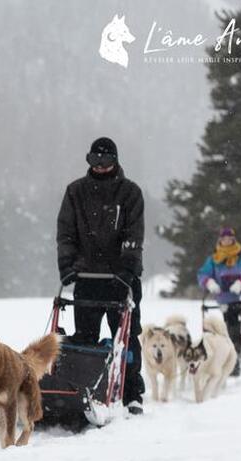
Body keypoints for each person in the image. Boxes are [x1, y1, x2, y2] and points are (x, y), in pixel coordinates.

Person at [57, 137, 146, 414]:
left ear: (115, 161)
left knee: (127, 337)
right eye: (95, 160)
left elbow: (134, 234)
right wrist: (67, 267)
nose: (100, 166)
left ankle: (132, 393)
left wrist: (128, 269)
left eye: (105, 161)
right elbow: (66, 233)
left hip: (121, 279)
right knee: (84, 338)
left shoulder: (130, 193)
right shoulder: (75, 192)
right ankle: (85, 389)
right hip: (86, 278)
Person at [197, 227, 241, 376]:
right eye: (224, 239)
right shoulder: (214, 259)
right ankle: (232, 359)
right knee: (231, 329)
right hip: (225, 298)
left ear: (233, 239)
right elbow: (203, 274)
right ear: (220, 240)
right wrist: (209, 282)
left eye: (229, 239)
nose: (226, 241)